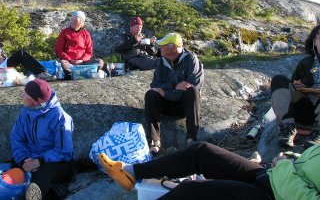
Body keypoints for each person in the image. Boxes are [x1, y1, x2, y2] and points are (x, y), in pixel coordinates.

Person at [99, 141, 320, 200]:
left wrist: (283, 168)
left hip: (274, 194)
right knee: (202, 152)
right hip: (272, 176)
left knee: (189, 191)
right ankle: (130, 172)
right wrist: (290, 159)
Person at [10, 79, 74, 200]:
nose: (23, 96)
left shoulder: (60, 118)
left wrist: (39, 161)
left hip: (55, 163)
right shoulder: (25, 112)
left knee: (43, 173)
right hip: (30, 159)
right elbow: (16, 138)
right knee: (13, 170)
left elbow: (65, 152)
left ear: (36, 101)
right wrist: (24, 160)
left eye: (26, 94)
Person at [145, 32, 204, 153]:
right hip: (166, 104)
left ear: (173, 47)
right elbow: (155, 86)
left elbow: (192, 86)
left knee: (191, 91)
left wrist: (166, 92)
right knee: (150, 94)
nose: (160, 48)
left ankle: (191, 139)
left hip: (184, 106)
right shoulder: (161, 62)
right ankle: (154, 141)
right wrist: (174, 86)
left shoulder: (191, 60)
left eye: (163, 45)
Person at [270, 24, 320, 149]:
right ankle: (288, 127)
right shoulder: (306, 63)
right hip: (304, 109)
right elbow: (291, 86)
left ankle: (317, 134)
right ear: (314, 42)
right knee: (279, 80)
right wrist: (297, 86)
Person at [54, 11, 104, 78]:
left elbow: (89, 52)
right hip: (70, 63)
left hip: (83, 63)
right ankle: (80, 72)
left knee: (99, 62)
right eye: (73, 20)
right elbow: (58, 50)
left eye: (76, 21)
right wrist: (70, 60)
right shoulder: (64, 32)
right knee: (63, 63)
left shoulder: (86, 34)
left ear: (81, 22)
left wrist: (82, 60)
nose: (74, 22)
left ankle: (77, 72)